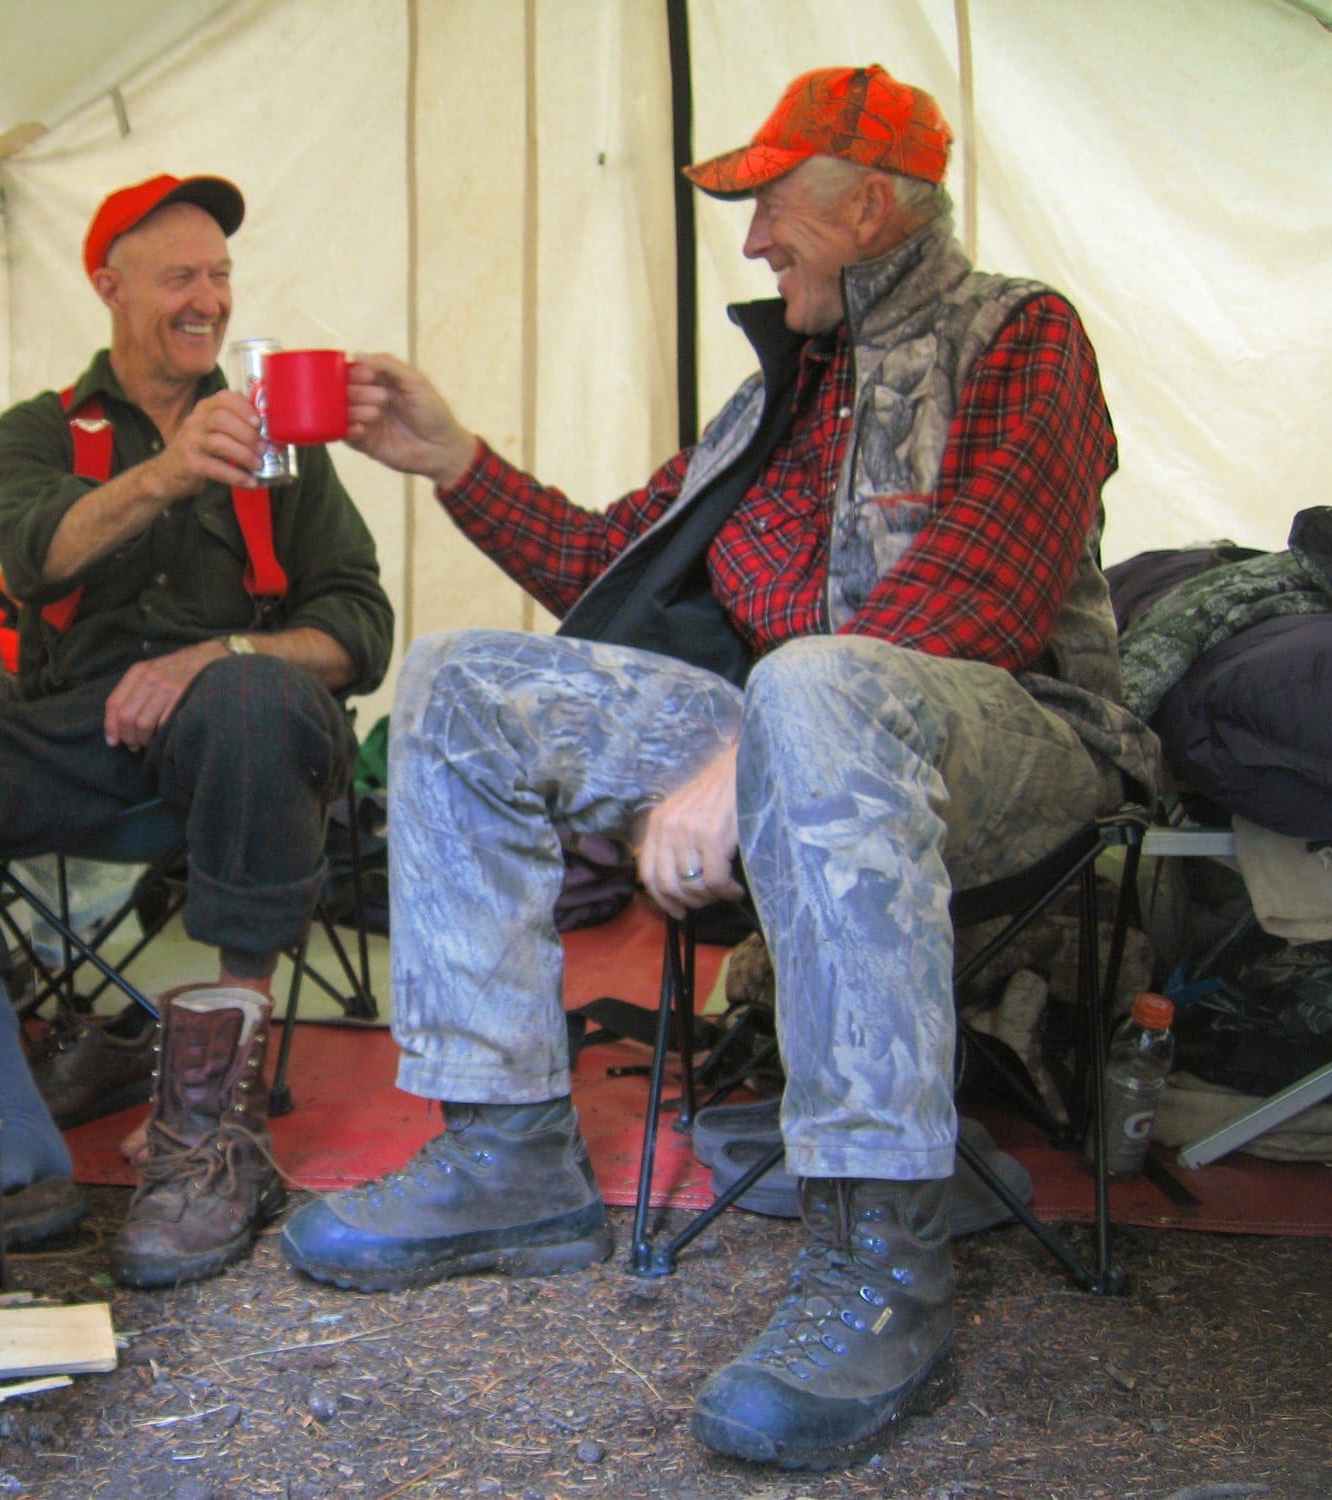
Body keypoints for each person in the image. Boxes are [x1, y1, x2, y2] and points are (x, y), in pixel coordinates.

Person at [279, 65, 1157, 1470]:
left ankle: (882, 1264)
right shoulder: (780, 399)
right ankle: (507, 1154)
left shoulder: (1022, 336)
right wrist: (451, 459)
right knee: (462, 681)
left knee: (811, 684)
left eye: (772, 207)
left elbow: (977, 602)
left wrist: (739, 751)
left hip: (1013, 748)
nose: (750, 242)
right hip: (795, 736)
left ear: (870, 204)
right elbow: (604, 564)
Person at [0, 173, 393, 1288]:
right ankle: (0, 1119)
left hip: (240, 734)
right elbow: (36, 555)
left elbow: (360, 625)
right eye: (180, 276)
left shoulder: (280, 430)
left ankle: (211, 1127)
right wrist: (171, 470)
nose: (208, 300)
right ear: (108, 286)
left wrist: (216, 657)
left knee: (254, 696)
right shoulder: (40, 429)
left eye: (219, 275)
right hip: (81, 730)